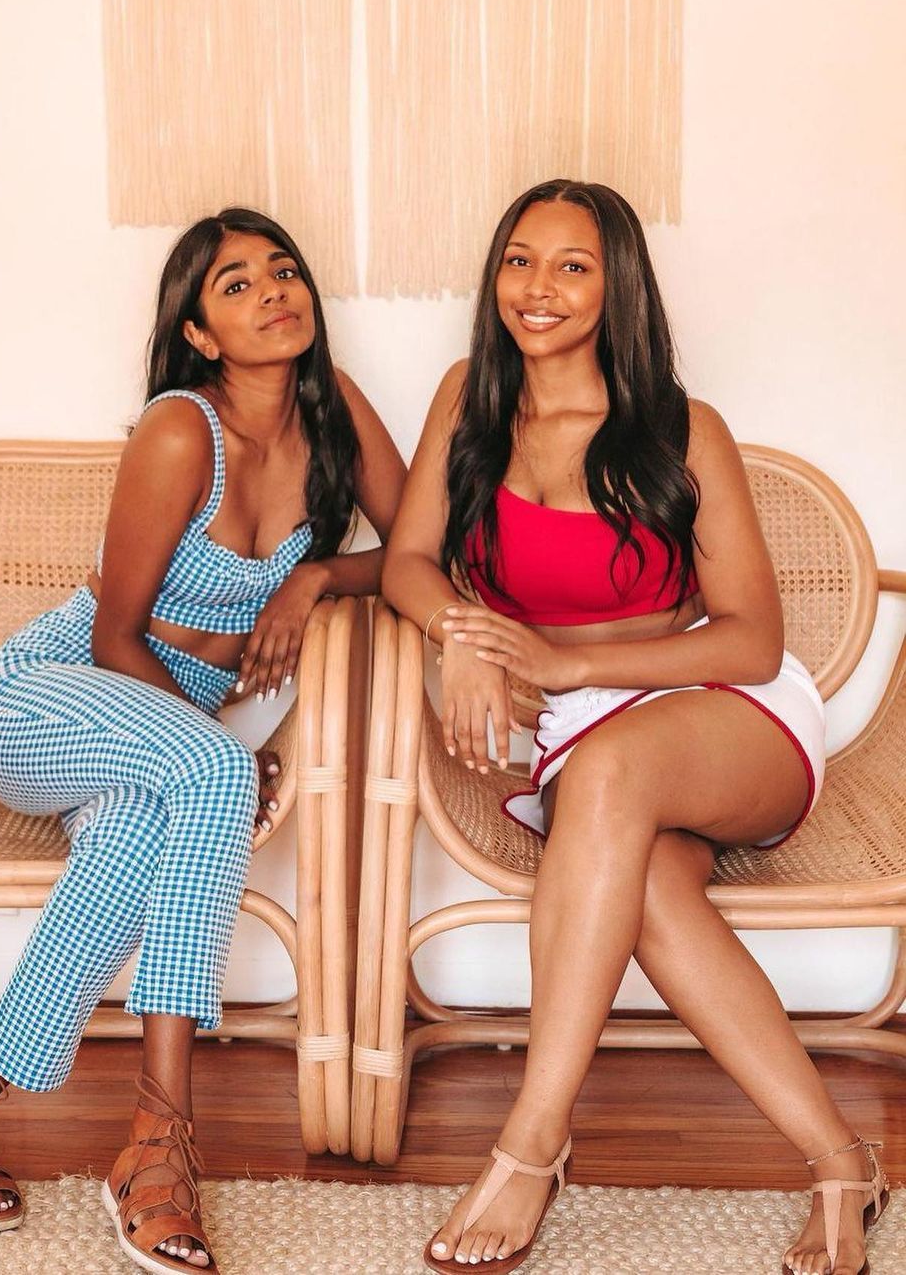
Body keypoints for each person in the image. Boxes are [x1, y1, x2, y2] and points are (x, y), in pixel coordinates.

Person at [381, 180, 888, 1275]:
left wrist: (567, 662)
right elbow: (406, 563)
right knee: (649, 885)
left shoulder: (681, 429)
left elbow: (751, 639)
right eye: (520, 260)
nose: (539, 288)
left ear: (619, 287)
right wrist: (463, 634)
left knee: (609, 775)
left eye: (573, 265)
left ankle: (531, 1141)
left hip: (723, 714)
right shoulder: (468, 401)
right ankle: (843, 1162)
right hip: (585, 735)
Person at [0, 207, 406, 1273]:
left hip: (158, 739)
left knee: (137, 840)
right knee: (214, 768)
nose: (273, 291)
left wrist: (318, 575)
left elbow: (419, 554)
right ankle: (160, 1141)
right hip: (48, 699)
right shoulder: (183, 430)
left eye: (283, 270)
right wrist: (207, 749)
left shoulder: (337, 412)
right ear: (200, 333)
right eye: (236, 284)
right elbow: (117, 635)